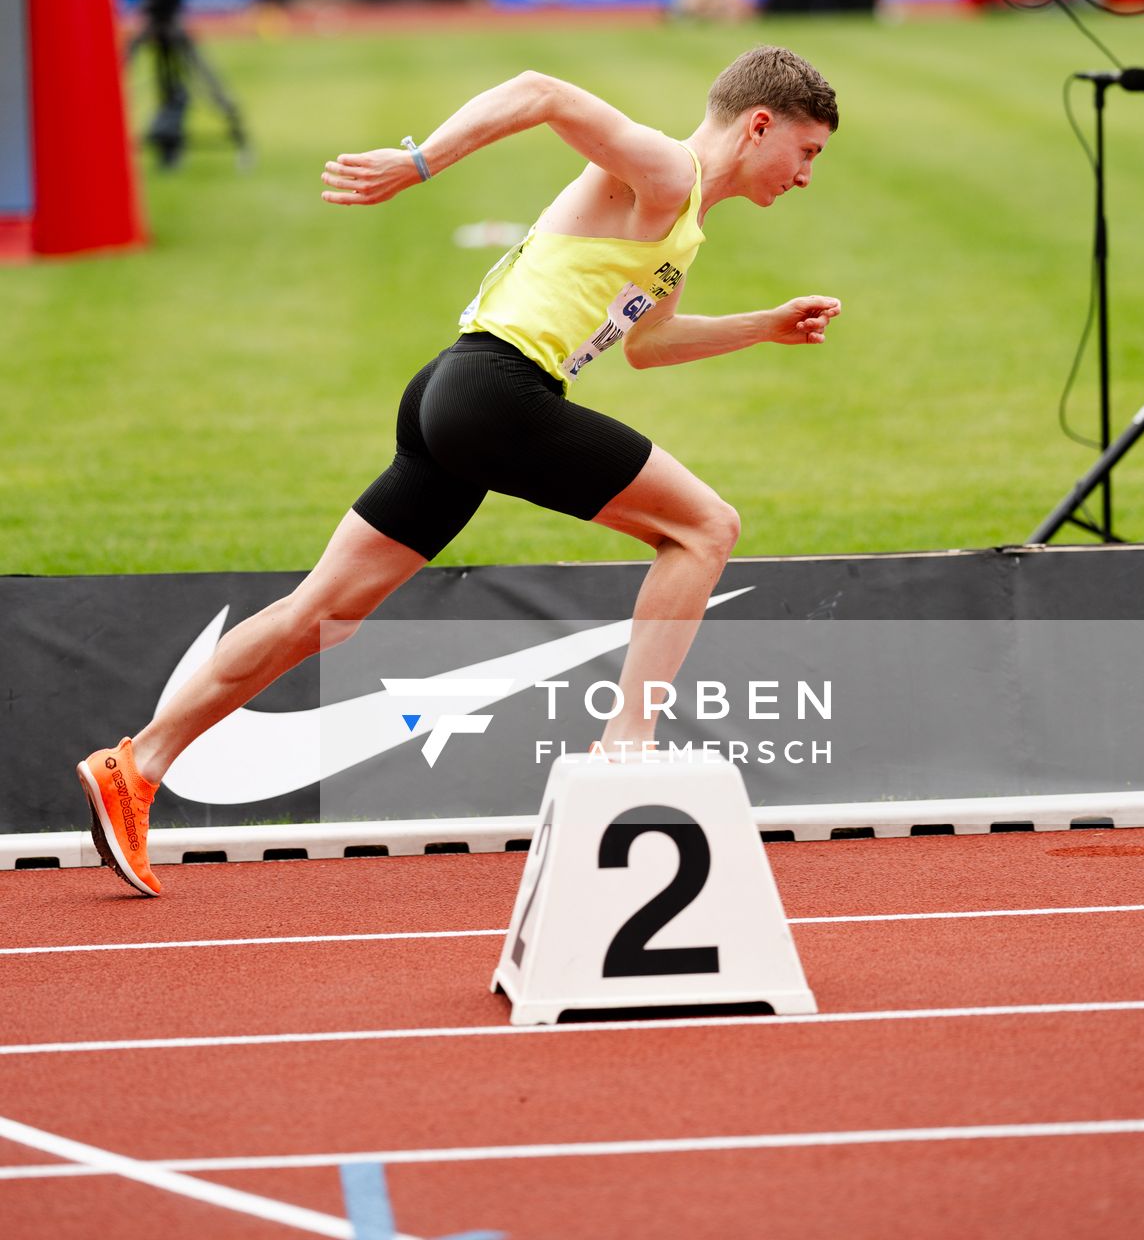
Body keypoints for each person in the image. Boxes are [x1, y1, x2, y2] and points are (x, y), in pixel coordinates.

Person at [77, 46, 841, 896]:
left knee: (322, 611)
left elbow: (649, 346)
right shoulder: (664, 166)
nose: (806, 176)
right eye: (807, 152)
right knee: (705, 527)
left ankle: (136, 764)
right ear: (761, 125)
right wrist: (417, 162)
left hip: (453, 391)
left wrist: (764, 326)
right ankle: (629, 741)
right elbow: (541, 91)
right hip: (495, 391)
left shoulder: (681, 217)